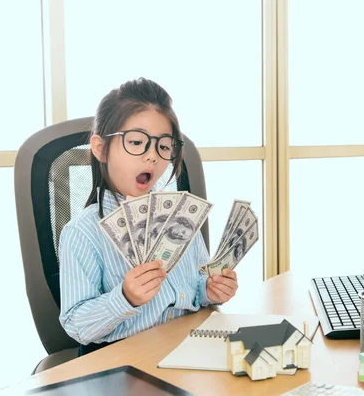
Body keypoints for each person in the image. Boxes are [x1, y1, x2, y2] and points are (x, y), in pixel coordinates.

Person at [58, 78, 238, 356]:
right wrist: (125, 298)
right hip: (125, 359)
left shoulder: (180, 217)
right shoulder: (83, 232)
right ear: (101, 148)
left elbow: (195, 288)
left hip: (189, 346)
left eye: (164, 147)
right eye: (137, 142)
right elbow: (76, 324)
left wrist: (211, 290)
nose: (152, 157)